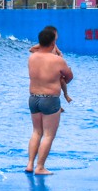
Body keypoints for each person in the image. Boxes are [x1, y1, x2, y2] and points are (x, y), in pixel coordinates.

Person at [26, 26, 73, 174]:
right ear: (53, 43)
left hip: (33, 99)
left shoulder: (32, 58)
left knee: (36, 132)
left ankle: (30, 164)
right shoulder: (57, 60)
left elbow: (34, 49)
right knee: (48, 135)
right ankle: (40, 167)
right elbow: (69, 77)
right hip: (50, 99)